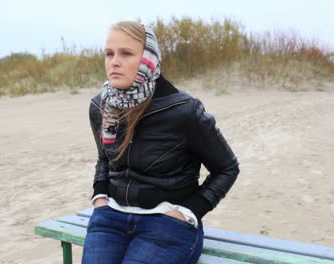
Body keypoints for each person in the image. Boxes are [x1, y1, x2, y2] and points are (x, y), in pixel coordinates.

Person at [82, 21, 240, 264]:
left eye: (126, 53)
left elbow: (227, 168)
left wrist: (189, 212)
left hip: (166, 224)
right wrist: (100, 197)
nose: (114, 61)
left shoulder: (184, 111)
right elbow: (105, 157)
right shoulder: (101, 106)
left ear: (148, 59)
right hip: (110, 218)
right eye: (109, 53)